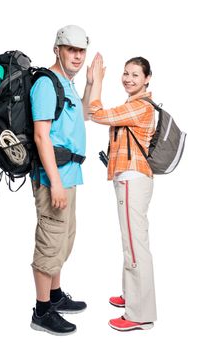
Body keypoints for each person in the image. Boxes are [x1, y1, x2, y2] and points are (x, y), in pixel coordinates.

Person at [30, 25, 96, 335]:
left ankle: (55, 296)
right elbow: (41, 135)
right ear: (57, 49)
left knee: (63, 239)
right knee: (50, 241)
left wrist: (94, 82)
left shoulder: (67, 83)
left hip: (69, 175)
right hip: (52, 177)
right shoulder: (46, 83)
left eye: (81, 51)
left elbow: (83, 114)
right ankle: (42, 311)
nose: (78, 56)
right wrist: (54, 182)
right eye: (71, 49)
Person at [88, 55, 157, 331]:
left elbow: (97, 114)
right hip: (129, 179)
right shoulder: (132, 105)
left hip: (132, 179)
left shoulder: (141, 107)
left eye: (135, 75)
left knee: (135, 245)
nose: (128, 78)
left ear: (147, 79)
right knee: (131, 241)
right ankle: (131, 295)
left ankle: (140, 315)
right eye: (126, 73)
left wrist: (96, 82)